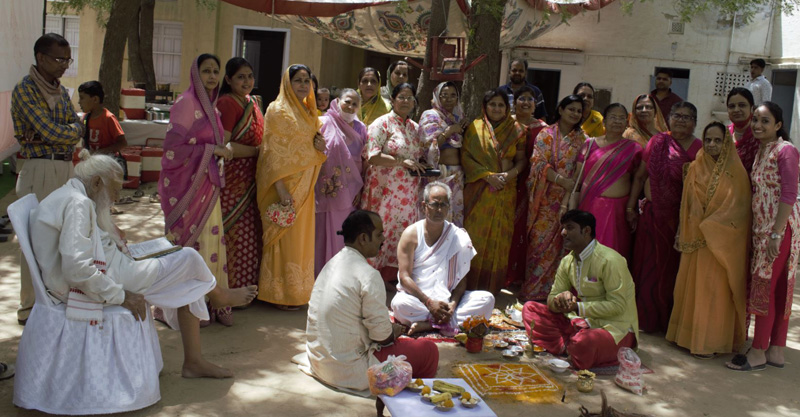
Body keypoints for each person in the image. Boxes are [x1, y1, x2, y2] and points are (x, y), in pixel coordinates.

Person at [31, 151, 258, 379]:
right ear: (98, 182)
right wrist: (120, 296)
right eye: (115, 189)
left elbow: (83, 246)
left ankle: (195, 358)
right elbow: (77, 268)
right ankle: (217, 299)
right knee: (188, 258)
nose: (117, 198)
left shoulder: (70, 194)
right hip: (107, 279)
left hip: (111, 268)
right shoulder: (78, 204)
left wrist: (111, 236)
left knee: (183, 265)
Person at [306, 210, 439, 391]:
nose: (383, 239)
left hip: (319, 362)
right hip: (349, 371)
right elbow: (381, 337)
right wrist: (394, 332)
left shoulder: (331, 264)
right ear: (363, 238)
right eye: (379, 234)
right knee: (428, 350)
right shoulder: (368, 274)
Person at [11, 33, 84, 325]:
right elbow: (55, 131)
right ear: (40, 58)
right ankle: (30, 308)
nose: (64, 65)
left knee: (62, 238)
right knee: (34, 241)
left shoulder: (58, 90)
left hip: (64, 167)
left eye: (68, 59)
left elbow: (76, 127)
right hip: (40, 168)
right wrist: (61, 131)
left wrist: (61, 131)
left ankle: (55, 299)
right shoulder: (26, 89)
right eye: (59, 59)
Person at [159, 54, 233, 324]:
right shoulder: (185, 103)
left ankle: (213, 303)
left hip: (208, 187)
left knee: (211, 241)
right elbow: (172, 150)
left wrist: (223, 151)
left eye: (216, 71)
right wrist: (213, 150)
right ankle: (186, 309)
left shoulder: (212, 109)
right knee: (189, 245)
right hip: (187, 189)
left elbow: (215, 143)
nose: (212, 76)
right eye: (206, 71)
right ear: (195, 73)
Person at [667, 122, 750, 358]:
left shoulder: (737, 172)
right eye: (708, 140)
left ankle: (710, 341)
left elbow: (740, 209)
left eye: (718, 140)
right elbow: (686, 204)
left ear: (727, 143)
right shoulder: (694, 167)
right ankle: (686, 337)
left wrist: (712, 227)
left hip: (720, 244)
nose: (712, 145)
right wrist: (686, 230)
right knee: (693, 288)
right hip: (695, 240)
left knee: (715, 293)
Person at [728, 102, 798, 371]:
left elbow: (789, 194)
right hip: (766, 231)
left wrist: (777, 234)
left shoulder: (785, 150)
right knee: (776, 288)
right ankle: (776, 350)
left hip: (778, 230)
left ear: (778, 125)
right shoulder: (763, 150)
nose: (757, 125)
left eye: (765, 121)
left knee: (764, 288)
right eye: (755, 120)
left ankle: (758, 352)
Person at [521, 210, 639, 370]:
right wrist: (560, 299)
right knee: (530, 309)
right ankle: (571, 346)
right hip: (584, 323)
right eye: (563, 228)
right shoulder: (567, 261)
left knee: (584, 343)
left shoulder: (611, 260)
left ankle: (573, 345)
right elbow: (552, 299)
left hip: (615, 328)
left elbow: (618, 306)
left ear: (586, 231)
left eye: (569, 228)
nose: (563, 233)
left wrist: (577, 307)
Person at [257, 64, 327, 310]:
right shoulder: (277, 110)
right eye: (297, 80)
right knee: (283, 238)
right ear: (287, 82)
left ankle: (298, 292)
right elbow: (271, 154)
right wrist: (282, 191)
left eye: (306, 80)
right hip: (284, 188)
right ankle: (278, 293)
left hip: (306, 186)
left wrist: (319, 146)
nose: (303, 85)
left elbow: (310, 148)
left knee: (301, 240)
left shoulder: (310, 112)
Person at [628, 102, 702, 333]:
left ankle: (666, 321)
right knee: (647, 266)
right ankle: (644, 318)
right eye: (677, 115)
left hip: (681, 221)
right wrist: (631, 207)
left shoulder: (699, 148)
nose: (681, 120)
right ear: (668, 118)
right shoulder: (658, 142)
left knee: (671, 271)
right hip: (652, 216)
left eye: (687, 117)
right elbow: (640, 177)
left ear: (694, 122)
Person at [391, 182, 495, 335]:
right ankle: (447, 323)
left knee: (487, 299)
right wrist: (429, 302)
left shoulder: (458, 236)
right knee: (399, 304)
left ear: (448, 207)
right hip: (419, 300)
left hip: (447, 301)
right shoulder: (411, 234)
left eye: (443, 205)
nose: (439, 210)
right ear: (424, 205)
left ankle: (429, 324)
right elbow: (404, 277)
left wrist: (452, 305)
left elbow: (462, 281)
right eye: (435, 204)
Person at [462, 89, 526, 295]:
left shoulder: (517, 130)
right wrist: (487, 175)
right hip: (480, 191)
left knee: (500, 238)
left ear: (507, 108)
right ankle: (468, 285)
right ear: (485, 107)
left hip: (505, 191)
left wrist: (509, 175)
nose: (496, 109)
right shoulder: (474, 128)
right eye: (492, 105)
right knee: (475, 237)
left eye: (501, 105)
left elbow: (522, 160)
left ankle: (492, 288)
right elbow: (466, 157)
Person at [360, 82, 426, 283]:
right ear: (393, 100)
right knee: (380, 231)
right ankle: (369, 277)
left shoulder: (416, 128)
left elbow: (420, 154)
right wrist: (399, 162)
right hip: (383, 191)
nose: (406, 101)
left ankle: (393, 277)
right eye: (401, 97)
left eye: (409, 97)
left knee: (401, 233)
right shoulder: (382, 123)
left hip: (407, 193)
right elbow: (372, 156)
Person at [522, 95, 586, 301]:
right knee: (538, 245)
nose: (575, 114)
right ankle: (533, 291)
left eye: (579, 111)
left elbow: (580, 170)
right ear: (561, 110)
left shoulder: (583, 140)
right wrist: (560, 180)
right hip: (544, 199)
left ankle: (555, 292)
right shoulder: (546, 134)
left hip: (569, 201)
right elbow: (538, 164)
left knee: (564, 246)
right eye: (571, 109)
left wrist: (569, 192)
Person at [215, 57, 264, 316]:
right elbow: (225, 148)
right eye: (240, 77)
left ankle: (247, 290)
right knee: (234, 234)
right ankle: (231, 291)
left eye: (249, 76)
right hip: (233, 181)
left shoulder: (252, 103)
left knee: (250, 233)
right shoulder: (226, 103)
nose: (246, 81)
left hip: (251, 179)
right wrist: (257, 152)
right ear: (229, 80)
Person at [575, 103, 643, 259]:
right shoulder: (589, 144)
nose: (617, 121)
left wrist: (630, 208)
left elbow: (637, 181)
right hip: (589, 207)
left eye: (621, 118)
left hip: (618, 211)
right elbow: (577, 178)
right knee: (587, 253)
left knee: (613, 256)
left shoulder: (634, 149)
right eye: (613, 117)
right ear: (604, 122)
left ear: (627, 123)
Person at [314, 88, 368, 275]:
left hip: (351, 193)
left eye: (355, 104)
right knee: (321, 234)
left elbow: (364, 160)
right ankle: (318, 278)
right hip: (325, 191)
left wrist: (360, 190)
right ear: (337, 101)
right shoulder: (322, 122)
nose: (351, 106)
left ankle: (340, 279)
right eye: (347, 101)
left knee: (343, 236)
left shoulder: (361, 128)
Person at [506, 86, 548, 289]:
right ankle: (502, 272)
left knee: (524, 228)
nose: (525, 102)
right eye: (521, 98)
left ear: (536, 104)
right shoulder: (506, 123)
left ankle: (519, 275)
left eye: (530, 99)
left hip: (531, 184)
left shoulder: (543, 128)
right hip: (506, 179)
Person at [418, 81, 469, 226]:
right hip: (439, 172)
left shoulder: (459, 117)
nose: (448, 99)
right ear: (437, 96)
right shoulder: (430, 115)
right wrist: (449, 131)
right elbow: (427, 146)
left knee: (454, 214)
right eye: (444, 95)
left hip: (457, 174)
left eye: (453, 95)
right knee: (435, 212)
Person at [77, 81, 128, 154]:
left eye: (82, 98)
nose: (79, 102)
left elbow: (122, 143)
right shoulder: (85, 118)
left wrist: (101, 152)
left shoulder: (108, 118)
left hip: (106, 162)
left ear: (95, 99)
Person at [727, 87, 758, 176]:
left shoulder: (759, 136)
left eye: (742, 105)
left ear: (752, 108)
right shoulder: (723, 134)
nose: (736, 110)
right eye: (732, 106)